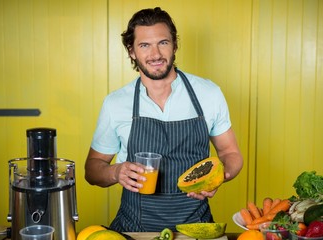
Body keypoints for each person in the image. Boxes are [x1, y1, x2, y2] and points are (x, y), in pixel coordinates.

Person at [85, 7, 243, 232]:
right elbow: (92, 170)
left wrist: (219, 177)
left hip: (196, 230)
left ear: (175, 45)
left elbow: (231, 154)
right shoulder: (116, 103)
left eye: (163, 42)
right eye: (144, 45)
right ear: (131, 51)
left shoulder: (209, 94)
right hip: (134, 229)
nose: (156, 54)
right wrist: (115, 172)